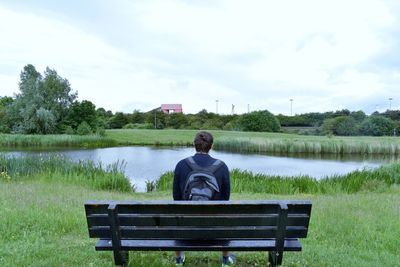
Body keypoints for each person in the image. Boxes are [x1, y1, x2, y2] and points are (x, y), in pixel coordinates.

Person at [173, 131, 236, 266]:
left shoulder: (181, 165)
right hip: (215, 228)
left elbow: (176, 198)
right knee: (226, 217)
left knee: (177, 214)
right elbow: (226, 199)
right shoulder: (222, 167)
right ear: (211, 146)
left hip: (186, 226)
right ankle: (226, 259)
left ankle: (179, 259)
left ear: (194, 144)